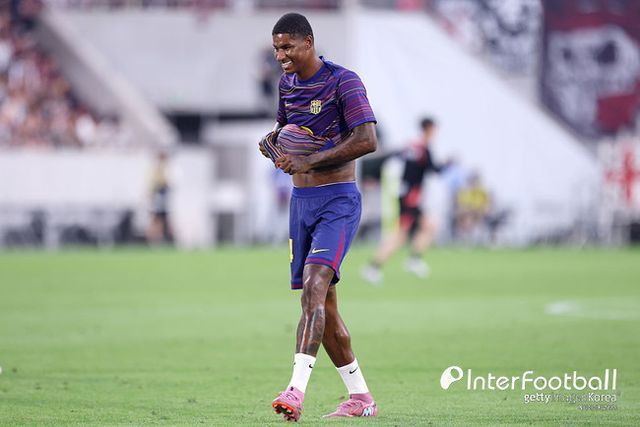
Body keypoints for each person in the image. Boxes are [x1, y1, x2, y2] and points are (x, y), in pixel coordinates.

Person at [258, 12, 379, 422]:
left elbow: (367, 140)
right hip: (301, 203)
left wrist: (310, 160)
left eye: (287, 47)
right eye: (276, 48)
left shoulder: (344, 81)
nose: (281, 56)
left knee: (313, 286)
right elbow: (284, 132)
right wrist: (273, 147)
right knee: (323, 305)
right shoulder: (287, 85)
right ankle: (360, 397)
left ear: (308, 42)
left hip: (337, 201)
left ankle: (295, 391)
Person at [362, 118, 448, 285]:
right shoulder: (422, 148)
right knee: (401, 235)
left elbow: (396, 162)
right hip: (411, 198)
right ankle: (374, 267)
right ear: (428, 129)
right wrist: (448, 164)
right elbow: (435, 170)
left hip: (407, 195)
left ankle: (412, 260)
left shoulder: (412, 147)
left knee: (427, 227)